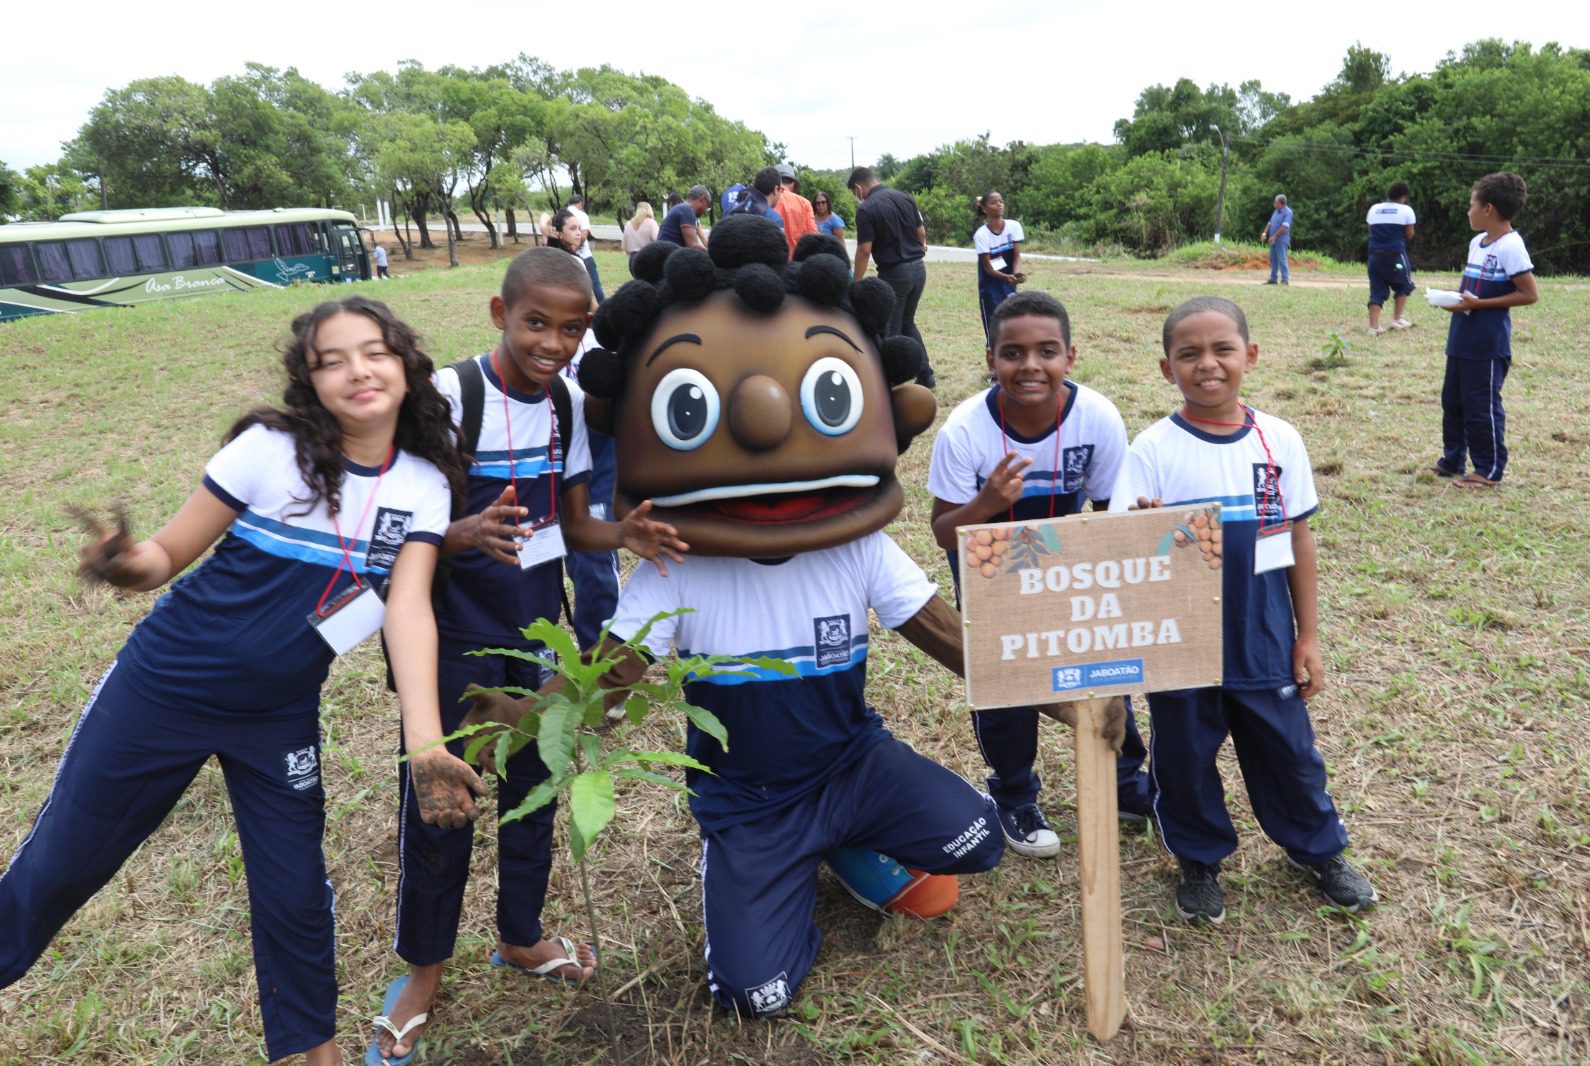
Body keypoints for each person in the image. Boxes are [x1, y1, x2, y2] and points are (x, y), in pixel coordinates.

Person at [469, 219, 1066, 1018]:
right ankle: (772, 868)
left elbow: (957, 644)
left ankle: (846, 842)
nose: (762, 420)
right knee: (755, 995)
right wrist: (509, 722)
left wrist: (1075, 698)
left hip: (854, 765)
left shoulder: (861, 551)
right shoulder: (670, 570)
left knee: (978, 841)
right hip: (751, 803)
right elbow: (601, 696)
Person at [0, 296, 483, 1066]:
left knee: (294, 898)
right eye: (332, 360)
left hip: (279, 718)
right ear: (310, 381)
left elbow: (409, 610)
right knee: (63, 860)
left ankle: (311, 1053)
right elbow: (164, 556)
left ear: (405, 364)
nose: (357, 369)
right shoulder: (269, 449)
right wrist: (125, 565)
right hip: (163, 689)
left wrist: (426, 748)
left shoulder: (423, 482)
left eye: (375, 351)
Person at [370, 249, 687, 1065]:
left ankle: (520, 936)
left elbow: (574, 525)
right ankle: (423, 974)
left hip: (538, 632)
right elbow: (389, 530)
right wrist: (464, 532)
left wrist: (626, 535)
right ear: (498, 313)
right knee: (444, 807)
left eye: (572, 327)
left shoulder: (570, 407)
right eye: (536, 322)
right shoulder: (448, 397)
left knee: (538, 790)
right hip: (454, 644)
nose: (553, 341)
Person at [1112, 295, 1377, 924]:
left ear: (1250, 356)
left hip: (1260, 632)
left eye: (1222, 349)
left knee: (1288, 750)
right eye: (1189, 354)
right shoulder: (1151, 448)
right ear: (1165, 367)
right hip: (1181, 640)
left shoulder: (1278, 439)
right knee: (1184, 754)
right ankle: (1198, 859)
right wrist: (1145, 530)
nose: (1208, 364)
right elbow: (1126, 545)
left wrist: (1307, 635)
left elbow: (1297, 541)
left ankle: (1317, 849)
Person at [927, 291, 1150, 858]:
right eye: (1013, 352)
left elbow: (1108, 511)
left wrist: (1137, 528)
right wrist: (987, 501)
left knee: (1104, 656)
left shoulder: (1097, 416)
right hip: (990, 565)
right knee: (1006, 678)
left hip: (1067, 559)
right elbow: (942, 529)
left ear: (1070, 356)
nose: (1030, 365)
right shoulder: (964, 430)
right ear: (990, 358)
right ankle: (1014, 793)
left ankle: (1125, 779)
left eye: (1046, 351)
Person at [1435, 171, 1538, 490]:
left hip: (1487, 343)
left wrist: (1478, 305)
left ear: (1488, 209)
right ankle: (1452, 459)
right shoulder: (1476, 244)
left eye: (1471, 205)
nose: (1468, 211)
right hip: (1462, 337)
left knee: (1481, 406)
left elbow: (1529, 293)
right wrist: (1455, 299)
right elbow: (1472, 291)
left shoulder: (1511, 246)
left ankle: (1488, 468)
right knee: (1453, 401)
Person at [848, 166, 933, 387]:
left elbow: (865, 250)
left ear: (858, 187)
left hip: (895, 273)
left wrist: (855, 282)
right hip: (918, 269)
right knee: (907, 323)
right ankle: (926, 375)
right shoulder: (905, 197)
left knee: (890, 329)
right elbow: (921, 233)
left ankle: (888, 383)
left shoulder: (866, 209)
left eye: (854, 193)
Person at [972, 190, 1026, 338]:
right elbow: (988, 267)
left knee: (1013, 325)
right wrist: (1007, 277)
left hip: (1009, 284)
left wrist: (1015, 274)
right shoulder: (981, 235)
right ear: (984, 209)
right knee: (994, 330)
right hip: (990, 288)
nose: (999, 205)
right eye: (993, 202)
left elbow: (1016, 256)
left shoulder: (1014, 226)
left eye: (1001, 201)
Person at [1366, 181, 1416, 335]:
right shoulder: (1406, 210)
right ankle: (1397, 319)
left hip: (1375, 255)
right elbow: (1409, 234)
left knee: (1376, 289)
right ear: (1403, 196)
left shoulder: (1374, 209)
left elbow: (1370, 231)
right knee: (1404, 284)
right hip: (1396, 255)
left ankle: (1374, 327)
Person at [565, 194, 605, 303]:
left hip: (567, 257)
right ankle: (603, 308)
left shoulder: (562, 214)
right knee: (595, 285)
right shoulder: (582, 215)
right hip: (584, 255)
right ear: (581, 203)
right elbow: (584, 235)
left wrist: (569, 250)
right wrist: (575, 248)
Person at [773, 164, 819, 257]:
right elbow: (812, 236)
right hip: (795, 262)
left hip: (772, 260)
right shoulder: (804, 203)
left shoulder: (767, 200)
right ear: (792, 184)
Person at [728, 167, 786, 232]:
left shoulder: (736, 206)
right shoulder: (774, 219)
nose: (781, 194)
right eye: (781, 190)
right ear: (776, 189)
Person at [659, 184, 712, 250]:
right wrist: (711, 255)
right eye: (706, 206)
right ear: (702, 199)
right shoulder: (687, 210)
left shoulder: (680, 208)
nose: (704, 212)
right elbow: (693, 246)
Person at [1260, 194, 1293, 285]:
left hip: (1281, 240)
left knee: (1282, 259)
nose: (1274, 203)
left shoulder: (1287, 212)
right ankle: (1273, 279)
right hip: (1273, 240)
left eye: (1276, 202)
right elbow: (1270, 223)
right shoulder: (1276, 211)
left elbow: (1285, 227)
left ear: (1281, 203)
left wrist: (1275, 236)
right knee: (1273, 259)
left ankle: (1285, 279)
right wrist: (1265, 232)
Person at [620, 201, 659, 270]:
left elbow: (624, 246)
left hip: (632, 260)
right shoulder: (651, 223)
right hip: (647, 258)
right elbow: (658, 241)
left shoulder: (629, 224)